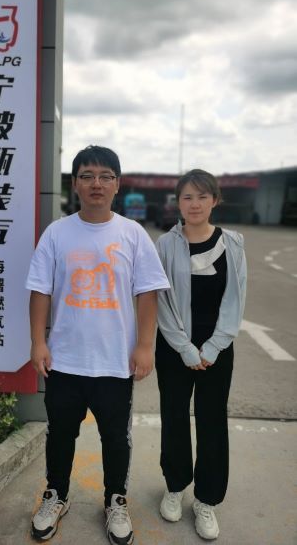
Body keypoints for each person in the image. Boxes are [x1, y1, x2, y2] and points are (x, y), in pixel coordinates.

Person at [26, 145, 169, 544]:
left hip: (114, 362)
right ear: (75, 184)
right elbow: (39, 290)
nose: (96, 184)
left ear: (117, 185)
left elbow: (148, 293)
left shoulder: (132, 234)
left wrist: (145, 346)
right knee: (60, 434)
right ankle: (56, 495)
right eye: (87, 176)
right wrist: (38, 342)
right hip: (65, 360)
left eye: (106, 176)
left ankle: (115, 501)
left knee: (116, 439)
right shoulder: (57, 233)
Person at [155, 169, 247, 540]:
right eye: (187, 197)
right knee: (174, 416)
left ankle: (206, 499)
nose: (194, 204)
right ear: (177, 202)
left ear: (215, 200)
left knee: (212, 421)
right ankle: (175, 486)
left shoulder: (233, 243)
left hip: (217, 351)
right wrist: (184, 348)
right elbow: (161, 300)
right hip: (173, 347)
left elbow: (236, 299)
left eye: (202, 196)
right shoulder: (165, 244)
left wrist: (211, 347)